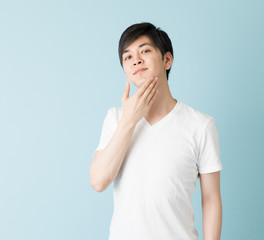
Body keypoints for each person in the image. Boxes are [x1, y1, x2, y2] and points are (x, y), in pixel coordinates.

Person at [90, 22, 223, 240]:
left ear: (167, 60)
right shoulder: (115, 119)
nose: (136, 60)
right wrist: (129, 120)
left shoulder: (201, 125)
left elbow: (211, 201)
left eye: (145, 51)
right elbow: (98, 181)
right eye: (128, 57)